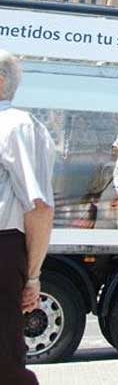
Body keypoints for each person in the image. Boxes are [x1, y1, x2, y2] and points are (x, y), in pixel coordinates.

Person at [0, 50, 55, 385]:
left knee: (4, 360)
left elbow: (39, 207)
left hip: (4, 246)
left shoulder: (17, 125)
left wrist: (32, 276)